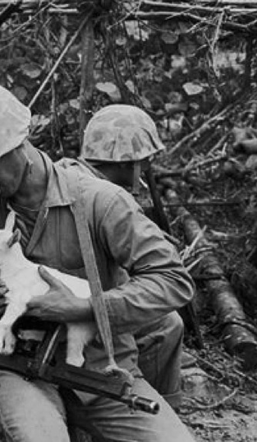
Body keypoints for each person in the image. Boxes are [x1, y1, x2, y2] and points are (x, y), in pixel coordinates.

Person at [0, 79, 196, 442]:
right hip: (24, 372)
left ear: (14, 144)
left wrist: (85, 306)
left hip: (101, 368)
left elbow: (172, 280)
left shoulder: (99, 201)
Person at [57, 104, 187, 409]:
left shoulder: (64, 172)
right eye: (142, 163)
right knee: (168, 325)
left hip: (67, 295)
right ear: (130, 164)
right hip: (80, 305)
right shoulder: (108, 195)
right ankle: (156, 407)